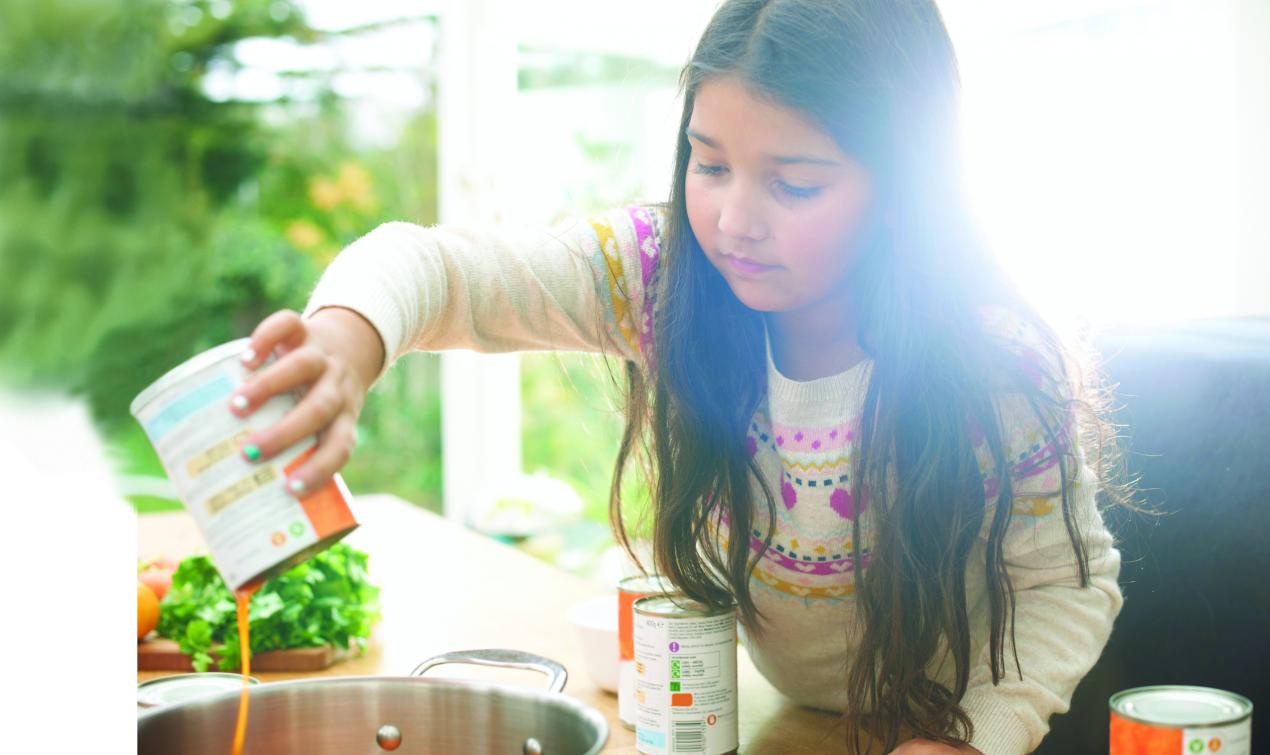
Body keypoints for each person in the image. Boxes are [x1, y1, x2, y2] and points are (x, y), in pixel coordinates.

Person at [227, 1, 1127, 752]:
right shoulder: (663, 278)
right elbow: (442, 270)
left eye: (795, 184)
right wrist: (345, 340)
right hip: (789, 725)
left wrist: (975, 737)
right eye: (710, 163)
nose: (733, 219)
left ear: (904, 183)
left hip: (948, 728)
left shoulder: (992, 360)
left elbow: (1067, 586)